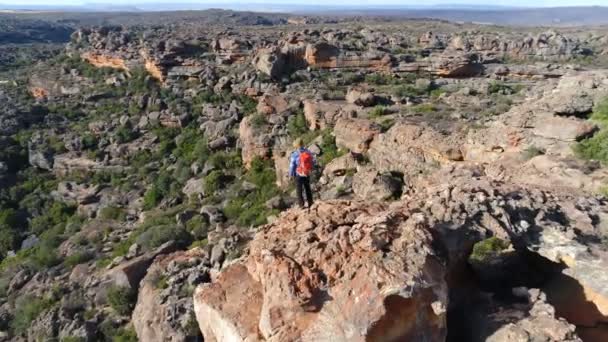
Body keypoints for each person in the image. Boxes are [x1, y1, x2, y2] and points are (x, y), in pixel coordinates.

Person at [289, 138, 316, 208]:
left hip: (298, 173)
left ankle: (301, 205)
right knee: (307, 188)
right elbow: (313, 161)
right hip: (306, 172)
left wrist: (291, 175)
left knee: (299, 189)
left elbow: (292, 165)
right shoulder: (307, 151)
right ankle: (311, 203)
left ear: (296, 146)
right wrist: (311, 168)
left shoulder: (295, 154)